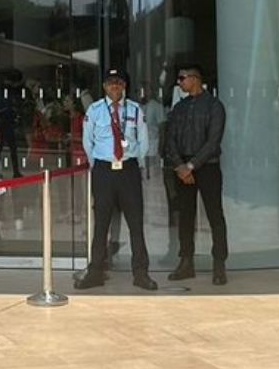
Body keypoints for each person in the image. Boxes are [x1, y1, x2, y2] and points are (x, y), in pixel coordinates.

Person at [76, 67, 157, 292]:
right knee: (101, 224)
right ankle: (95, 272)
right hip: (103, 171)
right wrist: (99, 163)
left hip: (128, 171)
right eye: (111, 82)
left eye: (119, 82)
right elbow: (87, 142)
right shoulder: (94, 110)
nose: (115, 86)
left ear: (125, 86)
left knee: (135, 223)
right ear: (104, 86)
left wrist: (132, 160)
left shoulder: (135, 110)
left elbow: (144, 142)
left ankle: (141, 273)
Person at [164, 65, 228, 285]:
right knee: (185, 217)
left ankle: (219, 263)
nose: (179, 82)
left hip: (207, 166)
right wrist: (181, 166)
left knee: (214, 215)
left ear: (195, 79)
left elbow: (213, 141)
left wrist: (191, 165)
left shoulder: (214, 106)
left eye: (182, 78)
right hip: (183, 169)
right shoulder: (179, 108)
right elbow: (169, 138)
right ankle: (186, 261)